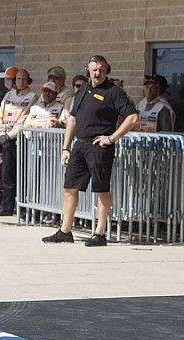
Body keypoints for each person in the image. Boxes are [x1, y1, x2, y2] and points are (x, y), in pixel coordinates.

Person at [42, 55, 138, 245]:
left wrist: (111, 138)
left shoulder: (114, 92)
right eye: (94, 69)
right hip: (80, 145)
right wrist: (65, 148)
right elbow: (72, 119)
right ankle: (65, 230)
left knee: (101, 189)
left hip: (99, 147)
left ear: (106, 70)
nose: (98, 73)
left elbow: (133, 118)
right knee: (70, 187)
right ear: (88, 70)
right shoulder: (83, 89)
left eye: (102, 70)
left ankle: (99, 233)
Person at [0, 68, 38, 216]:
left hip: (20, 140)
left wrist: (10, 135)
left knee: (21, 174)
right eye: (18, 79)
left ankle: (22, 208)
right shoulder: (8, 95)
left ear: (28, 80)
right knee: (6, 174)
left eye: (24, 79)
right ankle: (7, 207)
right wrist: (0, 133)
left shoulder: (32, 96)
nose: (20, 82)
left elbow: (24, 119)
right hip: (4, 139)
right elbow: (0, 115)